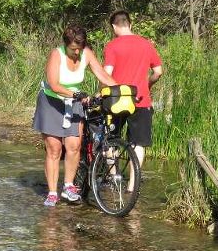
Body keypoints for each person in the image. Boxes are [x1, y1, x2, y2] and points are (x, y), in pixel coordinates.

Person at [33, 24, 117, 207]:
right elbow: (54, 84)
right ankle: (52, 192)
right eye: (73, 49)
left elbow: (102, 74)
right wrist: (77, 95)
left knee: (74, 145)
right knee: (54, 149)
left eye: (79, 48)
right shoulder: (57, 54)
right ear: (65, 45)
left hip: (74, 102)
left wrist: (118, 88)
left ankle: (68, 186)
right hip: (52, 102)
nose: (77, 52)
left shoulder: (86, 53)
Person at [102, 11, 163, 175]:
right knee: (138, 143)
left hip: (116, 99)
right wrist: (147, 85)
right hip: (140, 99)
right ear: (130, 24)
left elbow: (106, 73)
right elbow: (158, 71)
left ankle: (114, 178)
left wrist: (100, 92)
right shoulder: (146, 44)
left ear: (114, 26)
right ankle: (132, 186)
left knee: (110, 140)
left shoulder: (112, 46)